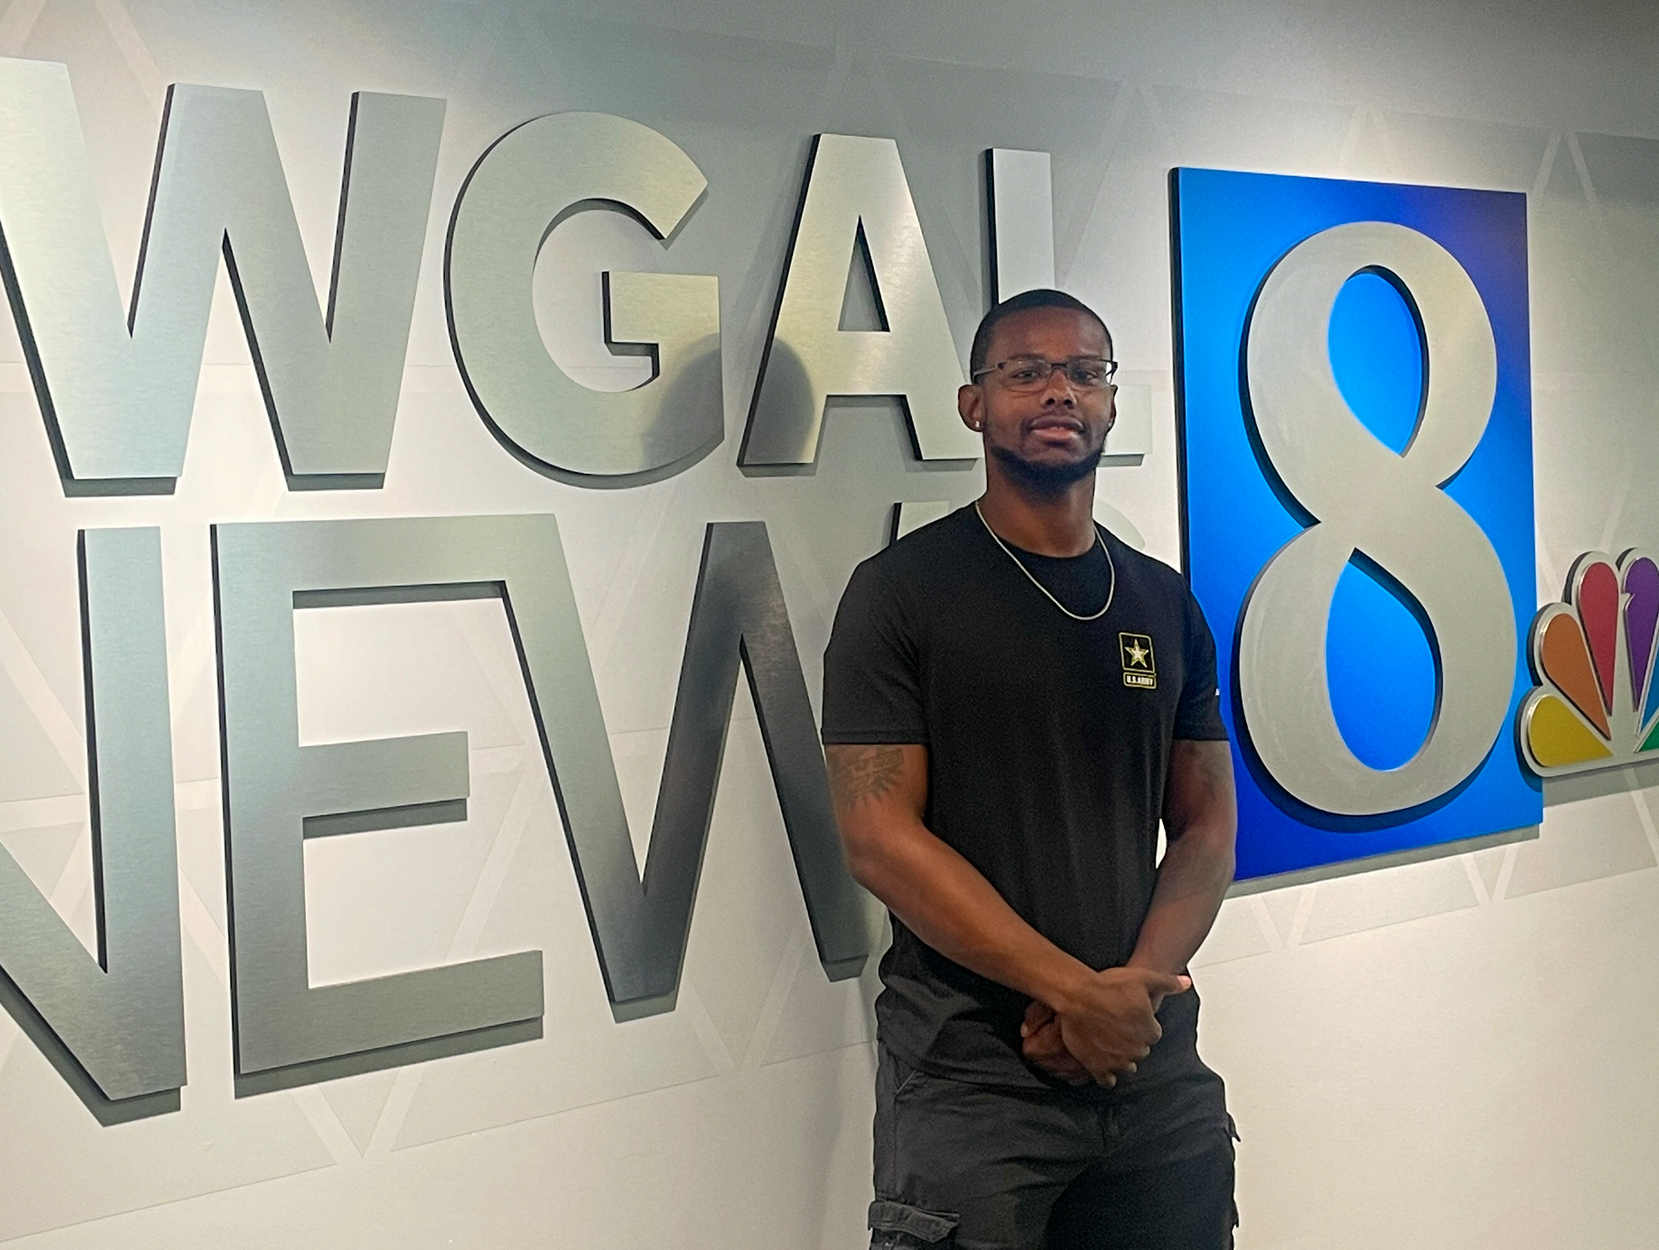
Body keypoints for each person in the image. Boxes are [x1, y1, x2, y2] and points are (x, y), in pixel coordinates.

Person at [821, 288, 1240, 1250]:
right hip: (974, 1080)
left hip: (1151, 1070)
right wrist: (1073, 993)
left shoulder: (1163, 601)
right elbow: (879, 839)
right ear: (973, 404)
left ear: (1110, 403)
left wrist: (1129, 992)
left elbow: (1208, 828)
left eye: (1084, 372)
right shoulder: (901, 594)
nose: (1059, 392)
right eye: (1026, 372)